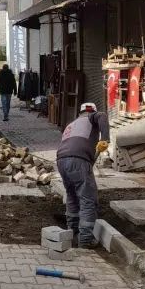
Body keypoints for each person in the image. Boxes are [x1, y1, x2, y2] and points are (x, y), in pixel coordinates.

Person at [56, 102, 109, 248]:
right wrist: (105, 139)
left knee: (72, 196)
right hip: (78, 160)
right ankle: (85, 240)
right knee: (87, 200)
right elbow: (102, 116)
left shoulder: (70, 125)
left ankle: (72, 233)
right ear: (91, 111)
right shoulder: (92, 117)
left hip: (61, 161)